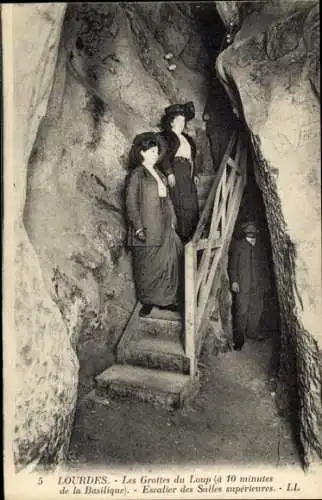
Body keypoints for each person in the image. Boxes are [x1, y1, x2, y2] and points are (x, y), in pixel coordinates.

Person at [125, 132, 183, 317]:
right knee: (147, 268)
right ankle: (147, 301)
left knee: (169, 263)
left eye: (156, 151)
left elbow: (167, 200)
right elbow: (130, 203)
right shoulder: (136, 175)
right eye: (150, 151)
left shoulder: (159, 173)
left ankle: (166, 300)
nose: (154, 154)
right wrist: (138, 227)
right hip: (147, 228)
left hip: (165, 225)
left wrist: (173, 220)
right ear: (141, 153)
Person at [158, 101, 199, 244]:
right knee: (181, 204)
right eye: (179, 120)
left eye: (183, 120)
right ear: (171, 122)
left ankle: (191, 237)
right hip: (176, 170)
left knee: (193, 203)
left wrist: (195, 175)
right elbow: (162, 156)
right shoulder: (166, 137)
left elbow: (192, 159)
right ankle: (181, 238)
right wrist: (169, 172)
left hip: (188, 171)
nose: (182, 123)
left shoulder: (187, 139)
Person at [229, 219, 271, 350]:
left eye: (253, 229)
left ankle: (252, 332)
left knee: (256, 309)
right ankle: (239, 340)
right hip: (243, 284)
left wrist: (266, 283)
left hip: (258, 284)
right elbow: (233, 265)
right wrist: (234, 281)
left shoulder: (260, 247)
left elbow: (265, 266)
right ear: (245, 231)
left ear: (256, 232)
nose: (251, 232)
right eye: (248, 229)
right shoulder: (239, 245)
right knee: (241, 311)